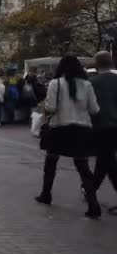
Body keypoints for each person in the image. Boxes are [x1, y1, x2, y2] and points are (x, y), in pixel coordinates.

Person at [35, 55, 101, 219]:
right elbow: (94, 109)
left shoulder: (55, 83)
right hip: (82, 130)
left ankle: (46, 194)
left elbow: (50, 107)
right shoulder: (87, 85)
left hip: (59, 128)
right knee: (83, 167)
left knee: (51, 162)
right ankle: (93, 205)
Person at [90, 51, 117, 196]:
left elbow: (90, 107)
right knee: (106, 158)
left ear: (96, 64)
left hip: (101, 126)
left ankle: (90, 188)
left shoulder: (93, 83)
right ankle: (91, 188)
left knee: (107, 159)